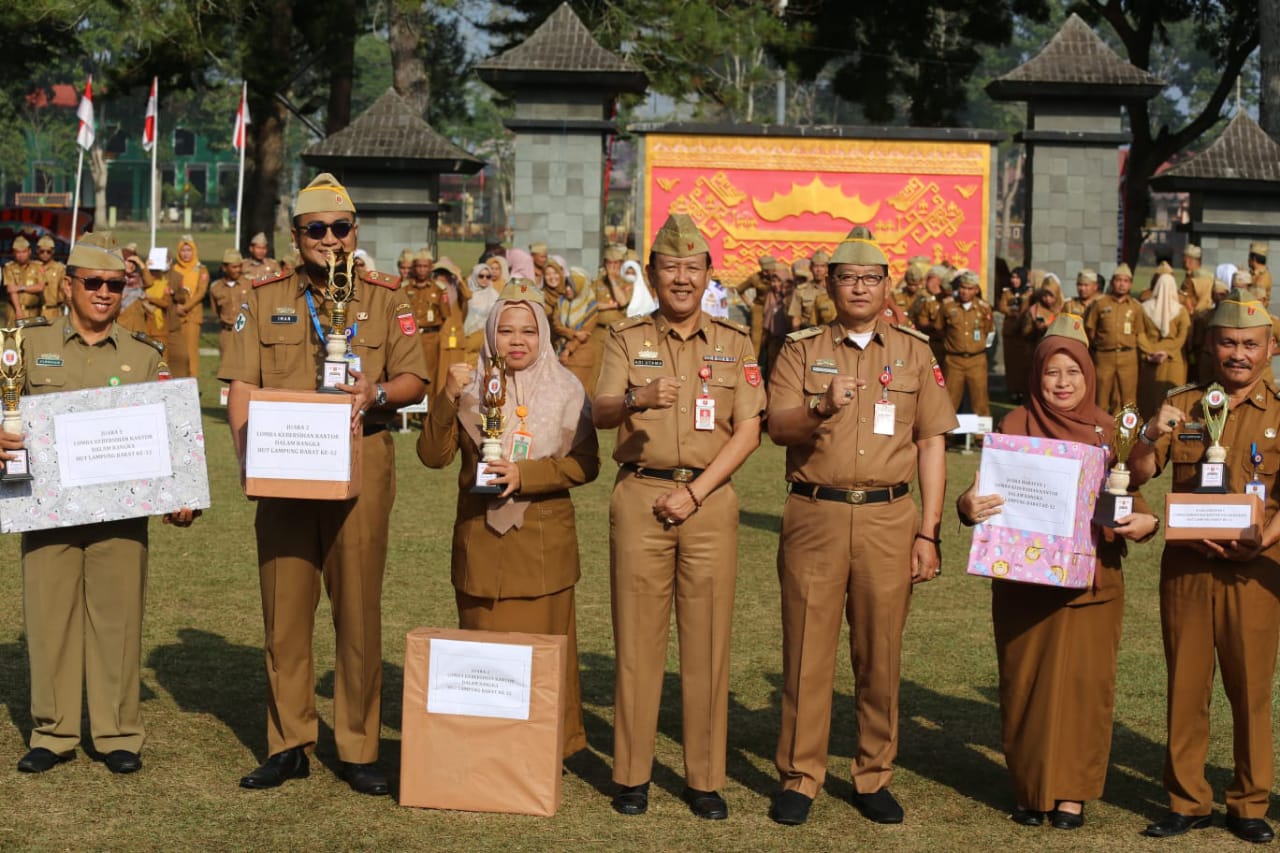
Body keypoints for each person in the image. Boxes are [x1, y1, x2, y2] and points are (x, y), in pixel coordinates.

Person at [219, 173, 430, 796]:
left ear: (355, 232)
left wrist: (378, 391)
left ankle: (359, 745)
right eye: (317, 229)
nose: (329, 239)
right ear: (295, 236)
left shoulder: (388, 297)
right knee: (284, 611)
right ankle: (289, 742)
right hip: (284, 471)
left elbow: (416, 378)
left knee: (358, 609)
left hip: (360, 464)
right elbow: (241, 386)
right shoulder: (261, 297)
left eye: (340, 228)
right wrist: (246, 459)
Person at [766, 238, 955, 827]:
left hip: (889, 517)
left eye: (871, 279)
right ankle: (801, 775)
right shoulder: (800, 351)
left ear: (886, 285)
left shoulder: (915, 353)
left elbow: (931, 442)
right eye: (848, 278)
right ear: (829, 285)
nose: (859, 288)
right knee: (806, 652)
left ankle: (873, 774)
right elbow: (777, 427)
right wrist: (820, 408)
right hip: (815, 513)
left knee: (880, 653)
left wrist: (929, 530)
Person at [4, 231, 197, 776]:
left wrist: (182, 497)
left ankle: (117, 733)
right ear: (68, 286)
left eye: (116, 284)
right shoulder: (23, 345)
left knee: (117, 620)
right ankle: (54, 731)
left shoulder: (145, 354)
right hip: (47, 513)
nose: (105, 293)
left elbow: (170, 434)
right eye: (93, 282)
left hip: (121, 514)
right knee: (48, 621)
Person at [593, 212, 763, 820]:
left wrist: (696, 493)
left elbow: (749, 430)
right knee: (637, 642)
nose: (682, 278)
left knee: (708, 642)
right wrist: (639, 396)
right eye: (671, 267)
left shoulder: (735, 341)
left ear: (709, 275)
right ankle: (633, 773)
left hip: (709, 501)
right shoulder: (625, 337)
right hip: (641, 496)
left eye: (694, 267)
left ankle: (704, 778)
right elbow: (601, 410)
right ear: (655, 274)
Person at [956, 315, 1158, 830]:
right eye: (1052, 372)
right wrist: (966, 505)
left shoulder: (1110, 430)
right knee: (1025, 686)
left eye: (1073, 371)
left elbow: (1130, 498)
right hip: (1024, 585)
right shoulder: (1012, 426)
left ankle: (1072, 792)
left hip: (1093, 583)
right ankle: (1031, 789)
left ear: (1089, 375)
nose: (1063, 382)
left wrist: (1147, 521)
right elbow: (983, 491)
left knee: (1084, 689)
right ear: (1035, 375)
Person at [417, 283, 599, 759]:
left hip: (544, 543)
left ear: (542, 336)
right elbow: (433, 457)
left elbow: (587, 465)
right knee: (486, 655)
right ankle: (488, 749)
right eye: (506, 329)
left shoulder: (567, 389)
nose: (517, 340)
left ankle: (549, 749)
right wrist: (447, 396)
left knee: (545, 654)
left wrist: (527, 474)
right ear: (491, 334)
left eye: (529, 331)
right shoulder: (470, 387)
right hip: (482, 543)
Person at [1128, 289, 1280, 845]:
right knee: (1186, 686)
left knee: (1251, 689)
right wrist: (1152, 432)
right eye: (1227, 343)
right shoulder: (1185, 404)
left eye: (1249, 344)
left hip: (1256, 569)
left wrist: (1264, 536)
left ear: (1270, 347)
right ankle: (1187, 800)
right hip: (1188, 569)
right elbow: (1139, 474)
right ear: (1210, 344)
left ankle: (1248, 803)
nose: (1238, 354)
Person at [937, 269, 994, 417]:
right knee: (949, 400)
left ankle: (980, 436)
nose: (965, 292)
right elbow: (940, 328)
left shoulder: (984, 308)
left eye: (969, 289)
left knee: (980, 400)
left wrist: (977, 345)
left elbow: (988, 330)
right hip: (953, 360)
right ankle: (946, 437)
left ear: (976, 290)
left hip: (977, 360)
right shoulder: (948, 306)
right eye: (962, 287)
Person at [1084, 263, 1139, 413]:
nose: (1122, 284)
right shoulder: (1100, 304)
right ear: (1112, 282)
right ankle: (1098, 432)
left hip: (1128, 356)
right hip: (1104, 356)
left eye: (1126, 281)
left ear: (1130, 284)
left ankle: (1127, 434)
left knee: (1128, 399)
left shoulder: (1135, 307)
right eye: (1118, 280)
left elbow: (1140, 332)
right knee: (1101, 397)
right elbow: (1090, 329)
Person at [1137, 273, 1190, 419]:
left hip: (1154, 359)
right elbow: (1181, 337)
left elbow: (1140, 335)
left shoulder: (1144, 308)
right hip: (1171, 359)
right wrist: (1164, 351)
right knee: (1156, 399)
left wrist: (1151, 352)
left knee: (1166, 397)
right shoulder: (1181, 310)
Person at [550, 258, 600, 393]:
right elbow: (556, 325)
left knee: (577, 394)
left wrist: (567, 350)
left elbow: (585, 333)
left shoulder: (591, 306)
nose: (567, 289)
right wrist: (573, 333)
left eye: (571, 286)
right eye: (566, 285)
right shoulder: (561, 302)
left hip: (580, 356)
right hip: (558, 353)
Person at [168, 236, 208, 379]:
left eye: (189, 250)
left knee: (191, 353)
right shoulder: (173, 269)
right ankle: (176, 382)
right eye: (183, 250)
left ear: (194, 251)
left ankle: (192, 383)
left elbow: (201, 292)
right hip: (175, 316)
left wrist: (185, 306)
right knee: (176, 353)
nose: (186, 254)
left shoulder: (200, 269)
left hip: (192, 316)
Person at [117, 253, 171, 356]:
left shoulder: (139, 279)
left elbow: (149, 282)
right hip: (122, 324)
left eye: (133, 262)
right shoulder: (117, 278)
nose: (130, 265)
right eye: (128, 261)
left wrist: (142, 265)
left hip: (138, 325)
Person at [209, 249, 252, 359]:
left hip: (246, 333)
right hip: (227, 333)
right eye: (234, 267)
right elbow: (216, 312)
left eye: (240, 266)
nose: (238, 270)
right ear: (224, 267)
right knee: (227, 371)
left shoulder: (250, 285)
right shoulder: (215, 288)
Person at [998, 266, 1032, 402]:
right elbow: (1002, 306)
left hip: (1023, 333)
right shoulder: (1007, 293)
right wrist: (1013, 312)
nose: (1014, 280)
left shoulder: (1029, 293)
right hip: (1010, 332)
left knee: (1024, 362)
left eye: (1017, 277)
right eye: (1013, 277)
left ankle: (1024, 390)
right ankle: (1013, 390)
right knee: (1011, 363)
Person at [463, 262, 500, 363]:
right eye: (481, 276)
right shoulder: (469, 294)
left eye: (488, 277)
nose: (484, 279)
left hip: (487, 338)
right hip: (469, 337)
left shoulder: (494, 295)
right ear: (475, 276)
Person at [4, 236, 44, 325]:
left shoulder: (38, 266)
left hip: (33, 311)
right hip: (14, 311)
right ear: (14, 253)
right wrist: (18, 310)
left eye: (24, 252)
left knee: (32, 337)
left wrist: (20, 287)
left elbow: (40, 287)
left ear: (29, 251)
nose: (21, 255)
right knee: (13, 337)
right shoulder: (9, 267)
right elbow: (11, 290)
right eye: (18, 252)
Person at [1018, 273, 1062, 348]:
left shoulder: (1064, 309)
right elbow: (1025, 333)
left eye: (1051, 295)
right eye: (1045, 295)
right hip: (1038, 348)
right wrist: (1036, 329)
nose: (1047, 299)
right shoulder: (1034, 310)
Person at [34, 235, 65, 321]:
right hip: (34, 311)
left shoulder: (59, 268)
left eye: (48, 252)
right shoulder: (33, 267)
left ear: (53, 251)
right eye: (42, 251)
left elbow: (64, 290)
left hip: (53, 311)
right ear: (37, 251)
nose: (45, 254)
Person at [1180, 245, 1213, 313]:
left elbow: (1187, 298)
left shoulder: (1194, 277)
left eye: (1184, 258)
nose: (1182, 261)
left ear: (1189, 260)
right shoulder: (1208, 274)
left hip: (1196, 313)